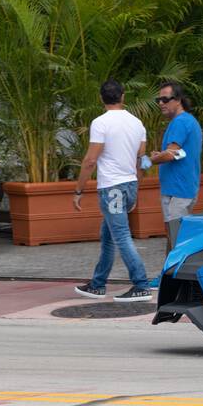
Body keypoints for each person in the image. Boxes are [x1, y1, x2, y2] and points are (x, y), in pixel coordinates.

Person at [73, 80, 152, 303]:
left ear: (101, 98)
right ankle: (98, 284)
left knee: (121, 236)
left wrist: (78, 190)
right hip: (129, 186)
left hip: (112, 188)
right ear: (123, 96)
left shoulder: (100, 123)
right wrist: (136, 189)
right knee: (108, 237)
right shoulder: (137, 123)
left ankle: (141, 284)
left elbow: (90, 160)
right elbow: (141, 160)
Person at [145, 82, 203, 288]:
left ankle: (178, 280)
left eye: (165, 99)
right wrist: (159, 156)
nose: (160, 103)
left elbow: (170, 154)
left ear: (178, 100)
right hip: (177, 189)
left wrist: (148, 160)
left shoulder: (180, 122)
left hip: (179, 191)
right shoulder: (184, 122)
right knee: (174, 236)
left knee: (178, 238)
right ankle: (169, 275)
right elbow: (175, 153)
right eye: (158, 100)